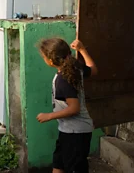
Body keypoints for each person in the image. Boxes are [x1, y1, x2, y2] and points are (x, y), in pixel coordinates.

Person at [36, 38, 98, 173]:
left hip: (76, 133)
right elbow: (93, 70)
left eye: (44, 57)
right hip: (68, 130)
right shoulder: (75, 67)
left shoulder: (63, 80)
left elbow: (74, 108)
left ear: (51, 61)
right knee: (58, 165)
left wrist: (49, 116)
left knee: (74, 168)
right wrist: (82, 50)